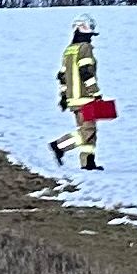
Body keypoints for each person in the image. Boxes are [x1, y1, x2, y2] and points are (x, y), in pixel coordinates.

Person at [47, 17, 104, 171]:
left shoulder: (69, 50)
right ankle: (59, 146)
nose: (91, 38)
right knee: (87, 131)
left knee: (89, 131)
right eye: (90, 34)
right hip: (86, 98)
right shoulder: (85, 48)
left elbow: (62, 76)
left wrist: (64, 96)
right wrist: (96, 93)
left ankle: (88, 163)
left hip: (73, 99)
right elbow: (86, 72)